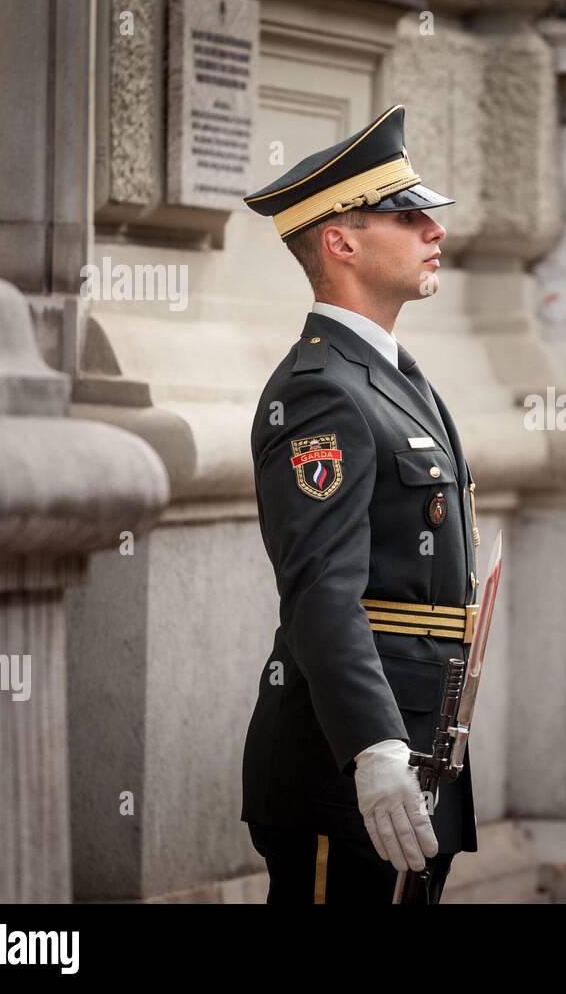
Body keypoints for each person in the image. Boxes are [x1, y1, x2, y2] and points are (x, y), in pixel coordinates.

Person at [240, 104, 480, 904]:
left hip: (417, 743)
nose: (434, 230)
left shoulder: (398, 378)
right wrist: (376, 747)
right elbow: (322, 592)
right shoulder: (321, 391)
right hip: (344, 760)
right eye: (408, 215)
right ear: (340, 241)